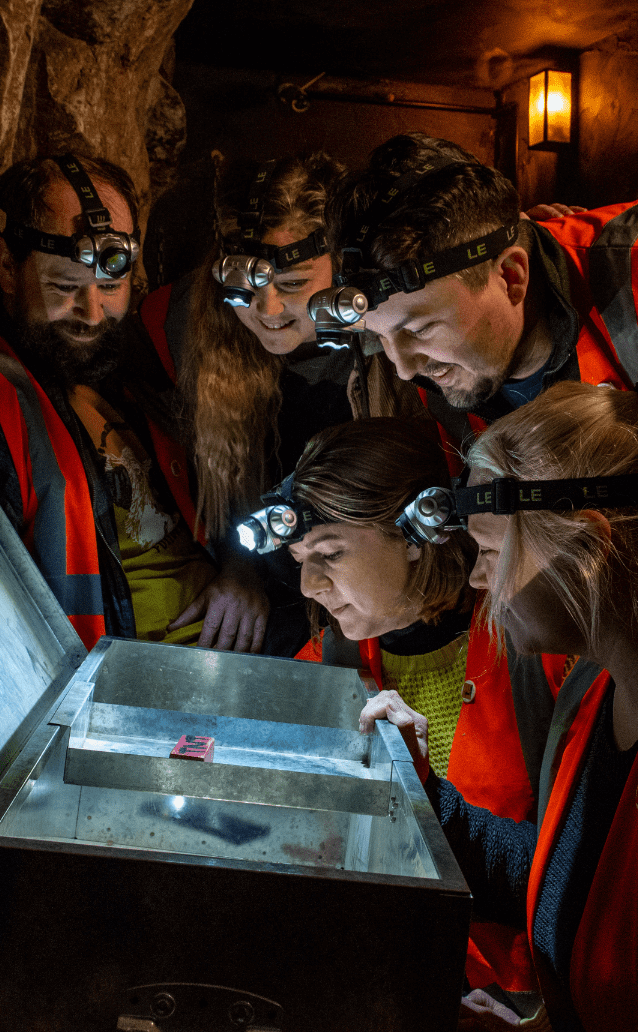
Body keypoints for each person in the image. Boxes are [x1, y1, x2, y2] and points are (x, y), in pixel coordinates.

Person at [322, 130, 638, 992]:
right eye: (382, 338)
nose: (402, 365)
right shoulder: (457, 369)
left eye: (418, 329)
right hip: (622, 641)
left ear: (509, 274)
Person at [361, 346, 638, 1032]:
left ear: (586, 551)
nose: (475, 582)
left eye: (491, 555)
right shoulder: (595, 685)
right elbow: (566, 878)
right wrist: (424, 794)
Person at [235, 417, 553, 1007]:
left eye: (330, 553)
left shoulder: (538, 650)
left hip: (529, 996)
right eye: (301, 558)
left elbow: (579, 875)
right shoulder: (329, 661)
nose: (308, 585)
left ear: (416, 535)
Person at [0, 152, 264, 651]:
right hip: (115, 677)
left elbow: (232, 481)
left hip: (236, 644)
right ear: (6, 266)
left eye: (111, 286)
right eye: (64, 287)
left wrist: (242, 570)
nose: (92, 312)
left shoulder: (130, 366)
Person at [135, 153, 429, 656]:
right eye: (246, 287)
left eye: (293, 285)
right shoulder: (185, 326)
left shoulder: (397, 333)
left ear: (342, 263)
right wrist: (237, 566)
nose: (268, 310)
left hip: (391, 580)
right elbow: (208, 478)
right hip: (273, 574)